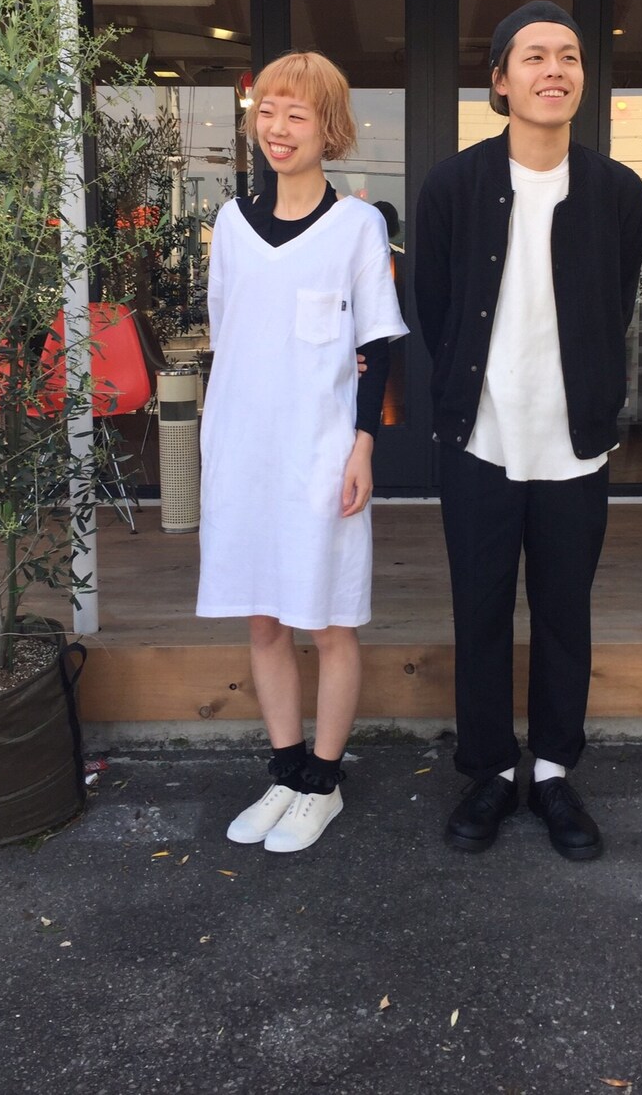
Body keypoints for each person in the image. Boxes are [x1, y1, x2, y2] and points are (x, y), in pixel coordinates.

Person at [414, 1, 642, 860]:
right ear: (501, 81)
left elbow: (616, 301)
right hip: (480, 438)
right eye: (536, 56)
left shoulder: (618, 192)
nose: (555, 70)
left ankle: (551, 771)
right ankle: (488, 770)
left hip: (573, 442)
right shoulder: (453, 185)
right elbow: (434, 305)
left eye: (570, 56)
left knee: (562, 613)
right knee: (478, 609)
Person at [197, 51, 408, 853]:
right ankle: (285, 772)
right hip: (244, 448)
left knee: (330, 620)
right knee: (263, 619)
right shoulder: (230, 226)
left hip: (322, 451)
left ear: (330, 129)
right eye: (268, 111)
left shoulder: (357, 226)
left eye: (298, 114)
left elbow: (377, 344)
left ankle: (324, 781)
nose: (278, 128)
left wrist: (363, 445)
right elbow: (230, 336)